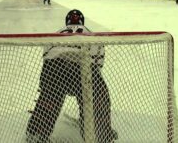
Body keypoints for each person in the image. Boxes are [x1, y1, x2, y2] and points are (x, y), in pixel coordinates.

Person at [26, 10, 118, 143]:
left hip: (56, 69)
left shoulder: (57, 32)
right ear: (82, 22)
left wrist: (45, 85)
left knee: (49, 98)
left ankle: (37, 133)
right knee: (99, 96)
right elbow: (98, 61)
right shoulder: (90, 32)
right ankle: (100, 133)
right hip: (83, 69)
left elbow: (47, 58)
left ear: (66, 23)